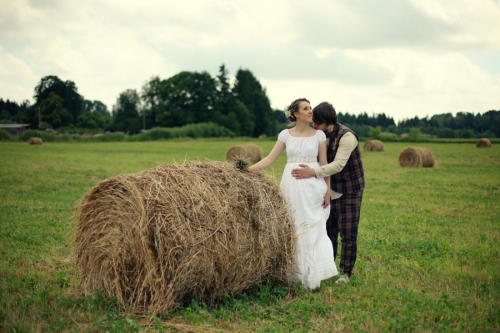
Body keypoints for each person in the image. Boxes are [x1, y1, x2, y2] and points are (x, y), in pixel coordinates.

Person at [249, 98, 338, 289]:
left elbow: (324, 165)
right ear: (296, 114)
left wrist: (328, 191)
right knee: (293, 226)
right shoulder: (285, 135)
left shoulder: (319, 136)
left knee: (313, 227)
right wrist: (247, 170)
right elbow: (270, 159)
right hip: (291, 186)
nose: (310, 111)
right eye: (305, 108)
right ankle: (293, 274)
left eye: (310, 108)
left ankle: (312, 277)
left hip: (313, 186)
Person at [291, 102, 365, 284]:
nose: (314, 125)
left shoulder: (347, 137)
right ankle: (327, 268)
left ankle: (346, 273)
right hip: (327, 190)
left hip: (350, 190)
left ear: (326, 120)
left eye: (317, 122)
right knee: (327, 231)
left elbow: (338, 165)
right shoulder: (320, 135)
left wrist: (313, 172)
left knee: (348, 234)